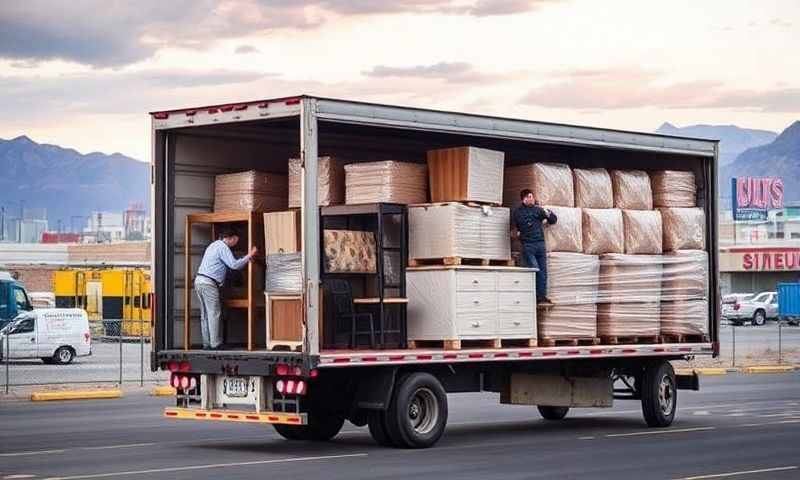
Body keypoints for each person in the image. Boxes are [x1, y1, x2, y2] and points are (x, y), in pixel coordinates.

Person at [195, 229, 257, 349]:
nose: (235, 244)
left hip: (199, 281)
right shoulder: (223, 247)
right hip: (209, 283)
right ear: (231, 238)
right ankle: (216, 344)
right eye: (235, 241)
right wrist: (249, 256)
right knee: (214, 313)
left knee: (205, 314)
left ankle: (207, 344)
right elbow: (234, 265)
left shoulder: (213, 245)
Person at [511, 188, 557, 303]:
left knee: (543, 272)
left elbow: (553, 220)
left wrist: (548, 213)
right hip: (528, 244)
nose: (532, 199)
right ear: (524, 199)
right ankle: (532, 296)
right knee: (534, 269)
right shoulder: (518, 212)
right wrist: (518, 233)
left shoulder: (538, 210)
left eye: (532, 197)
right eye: (529, 197)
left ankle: (542, 296)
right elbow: (517, 225)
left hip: (540, 243)